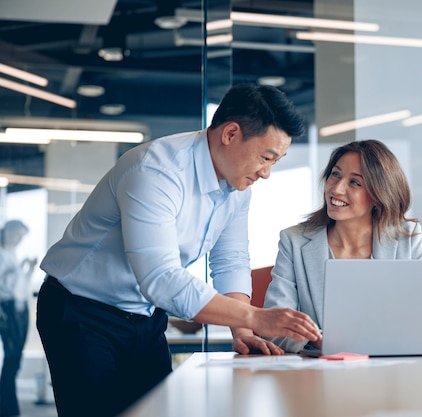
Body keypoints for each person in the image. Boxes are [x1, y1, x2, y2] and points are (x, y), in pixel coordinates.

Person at [36, 83, 322, 417]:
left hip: (144, 315)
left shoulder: (237, 184)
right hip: (82, 311)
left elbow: (230, 259)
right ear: (230, 133)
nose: (267, 173)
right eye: (266, 157)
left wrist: (242, 331)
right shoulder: (155, 170)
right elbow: (161, 278)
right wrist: (256, 317)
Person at [263, 139, 422, 353]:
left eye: (355, 183)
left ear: (378, 195)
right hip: (321, 375)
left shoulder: (408, 238)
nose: (336, 189)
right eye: (335, 174)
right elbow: (273, 326)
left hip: (395, 376)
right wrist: (318, 340)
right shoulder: (294, 241)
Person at [0, 220, 37, 417]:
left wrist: (28, 269)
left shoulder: (11, 254)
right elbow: (7, 286)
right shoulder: (2, 254)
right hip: (8, 309)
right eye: (17, 235)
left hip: (19, 308)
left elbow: (20, 285)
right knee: (12, 356)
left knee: (15, 357)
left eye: (21, 237)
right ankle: (7, 407)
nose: (19, 239)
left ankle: (7, 405)